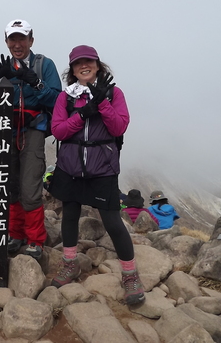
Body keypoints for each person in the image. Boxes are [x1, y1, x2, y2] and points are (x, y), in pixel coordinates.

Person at [49, 45, 145, 305]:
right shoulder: (66, 97)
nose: (84, 65)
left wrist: (101, 102)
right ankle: (70, 263)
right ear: (72, 69)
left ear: (98, 65)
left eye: (88, 61)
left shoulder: (114, 93)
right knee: (69, 215)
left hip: (102, 168)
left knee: (113, 221)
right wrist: (82, 114)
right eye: (78, 63)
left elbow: (118, 126)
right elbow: (58, 131)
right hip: (69, 166)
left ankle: (130, 274)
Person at [0, 19, 61, 260]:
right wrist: (1, 80)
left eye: (22, 38)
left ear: (31, 40)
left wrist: (33, 81)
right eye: (12, 39)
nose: (17, 44)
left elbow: (57, 101)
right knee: (12, 186)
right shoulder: (3, 66)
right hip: (7, 132)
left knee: (29, 186)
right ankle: (16, 235)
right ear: (6, 41)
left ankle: (35, 239)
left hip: (33, 131)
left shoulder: (44, 65)